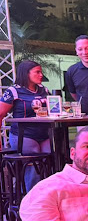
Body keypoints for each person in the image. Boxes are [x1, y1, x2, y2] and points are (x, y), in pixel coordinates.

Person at [0, 60, 51, 190]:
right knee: (34, 165)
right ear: (26, 73)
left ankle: (48, 196)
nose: (41, 75)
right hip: (24, 135)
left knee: (50, 161)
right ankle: (31, 197)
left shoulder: (44, 90)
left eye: (41, 72)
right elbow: (0, 114)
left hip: (45, 134)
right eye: (37, 72)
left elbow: (54, 109)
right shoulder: (14, 91)